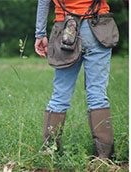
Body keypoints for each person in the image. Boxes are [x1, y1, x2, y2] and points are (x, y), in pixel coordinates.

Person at [34, 0, 118, 159]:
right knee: (97, 94)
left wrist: (40, 34)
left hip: (65, 30)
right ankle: (105, 156)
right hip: (98, 27)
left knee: (59, 95)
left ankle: (48, 152)